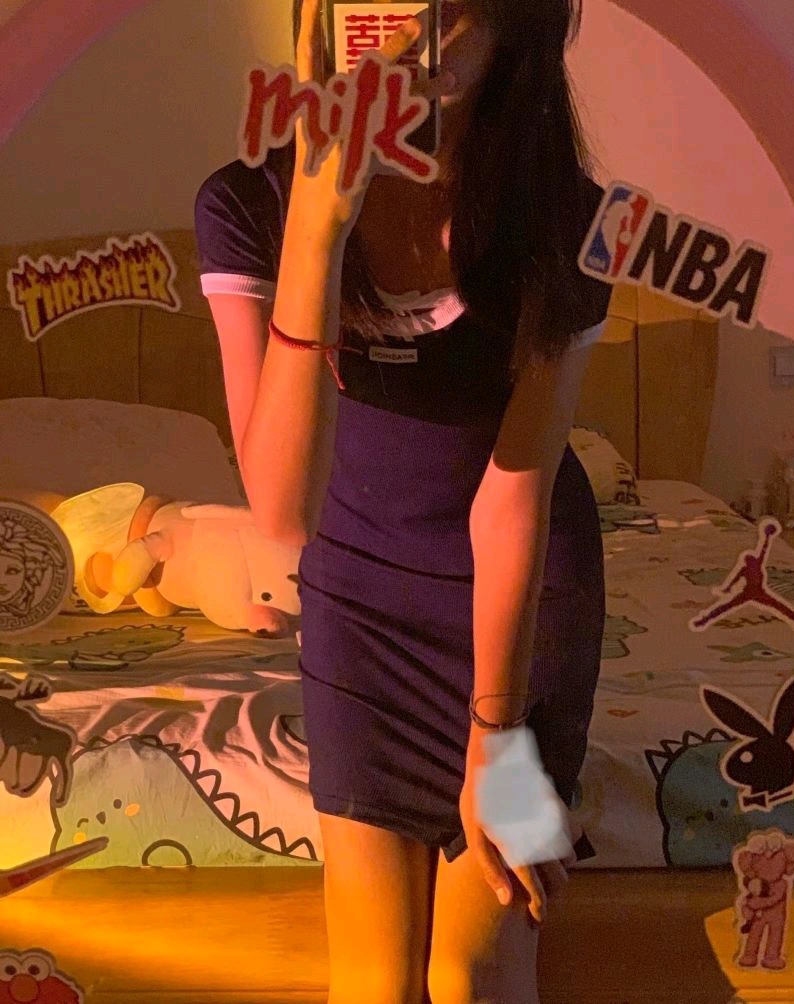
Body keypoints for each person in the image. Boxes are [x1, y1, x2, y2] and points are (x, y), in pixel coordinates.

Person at [195, 0, 611, 1000]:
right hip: (359, 605)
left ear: (514, 29)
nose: (411, 41)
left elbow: (515, 496)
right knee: (378, 984)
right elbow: (282, 513)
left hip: (525, 608)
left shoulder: (571, 217)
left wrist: (498, 739)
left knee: (471, 972)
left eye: (450, 12)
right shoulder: (246, 203)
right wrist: (317, 229)